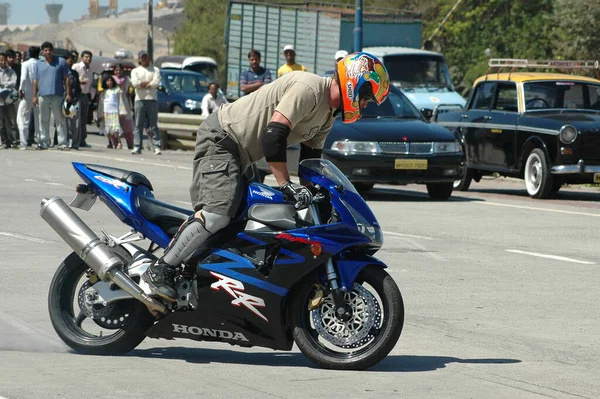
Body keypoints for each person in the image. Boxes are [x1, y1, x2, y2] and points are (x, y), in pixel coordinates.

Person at [139, 52, 391, 301]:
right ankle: (161, 269)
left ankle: (188, 271)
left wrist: (317, 198)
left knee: (247, 219)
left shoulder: (328, 113)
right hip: (222, 139)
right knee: (217, 215)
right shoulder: (309, 88)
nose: (366, 103)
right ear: (353, 82)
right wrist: (285, 185)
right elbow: (273, 135)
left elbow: (310, 159)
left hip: (242, 154)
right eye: (366, 95)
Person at [32, 41, 71, 150]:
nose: (48, 52)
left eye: (49, 50)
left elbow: (66, 78)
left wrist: (68, 94)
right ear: (42, 52)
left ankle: (63, 143)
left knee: (60, 120)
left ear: (52, 51)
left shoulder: (61, 62)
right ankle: (44, 142)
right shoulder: (38, 64)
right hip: (43, 96)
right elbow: (35, 80)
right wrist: (34, 96)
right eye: (45, 50)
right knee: (43, 119)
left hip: (57, 96)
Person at [130, 50, 161, 155]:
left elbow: (156, 83)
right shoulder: (135, 71)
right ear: (139, 59)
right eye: (142, 57)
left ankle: (156, 146)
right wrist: (146, 84)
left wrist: (145, 84)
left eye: (146, 57)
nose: (144, 59)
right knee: (138, 124)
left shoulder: (155, 70)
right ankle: (137, 146)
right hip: (139, 99)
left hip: (152, 99)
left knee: (153, 125)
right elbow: (135, 83)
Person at [17, 46, 40, 149]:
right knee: (38, 119)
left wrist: (21, 90)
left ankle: (23, 142)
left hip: (27, 94)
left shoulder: (25, 64)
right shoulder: (40, 64)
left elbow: (23, 78)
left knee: (22, 118)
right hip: (39, 94)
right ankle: (40, 142)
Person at [98, 75, 126, 149]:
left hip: (114, 111)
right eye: (108, 81)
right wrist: (101, 114)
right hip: (106, 112)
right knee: (108, 128)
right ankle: (110, 142)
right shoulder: (103, 92)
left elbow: (120, 101)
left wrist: (121, 112)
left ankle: (119, 142)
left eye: (110, 81)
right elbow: (101, 104)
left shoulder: (116, 90)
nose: (109, 82)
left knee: (116, 127)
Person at [72, 50, 93, 148]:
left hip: (85, 95)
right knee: (77, 119)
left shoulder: (90, 70)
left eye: (89, 57)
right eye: (86, 57)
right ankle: (75, 140)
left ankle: (82, 140)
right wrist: (80, 81)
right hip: (77, 95)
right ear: (82, 57)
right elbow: (72, 79)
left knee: (84, 119)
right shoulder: (76, 67)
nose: (88, 59)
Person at [113, 64, 134, 149]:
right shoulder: (111, 79)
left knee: (128, 127)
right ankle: (117, 143)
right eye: (116, 70)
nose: (118, 72)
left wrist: (130, 92)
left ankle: (130, 144)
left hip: (125, 103)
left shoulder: (127, 79)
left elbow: (133, 87)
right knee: (115, 126)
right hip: (114, 103)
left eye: (120, 70)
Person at [0, 52, 19, 149]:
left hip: (9, 100)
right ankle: (4, 142)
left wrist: (3, 85)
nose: (2, 62)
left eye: (3, 60)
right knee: (1, 124)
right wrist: (6, 84)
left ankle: (14, 141)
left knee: (12, 121)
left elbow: (13, 83)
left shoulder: (11, 72)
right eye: (0, 60)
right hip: (0, 102)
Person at [64, 51, 81, 149]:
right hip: (65, 100)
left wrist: (77, 98)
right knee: (66, 123)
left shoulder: (75, 73)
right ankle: (66, 141)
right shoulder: (61, 72)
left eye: (72, 60)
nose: (70, 62)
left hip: (74, 100)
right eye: (69, 60)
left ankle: (75, 143)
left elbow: (77, 87)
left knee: (76, 123)